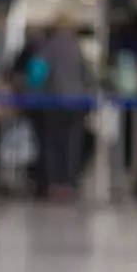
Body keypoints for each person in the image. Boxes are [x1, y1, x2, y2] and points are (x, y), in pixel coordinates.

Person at [29, 11, 92, 200]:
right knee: (71, 143)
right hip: (76, 104)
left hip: (53, 102)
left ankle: (54, 184)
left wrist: (33, 90)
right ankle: (68, 183)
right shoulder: (77, 48)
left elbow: (36, 73)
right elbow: (87, 76)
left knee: (52, 143)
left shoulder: (49, 47)